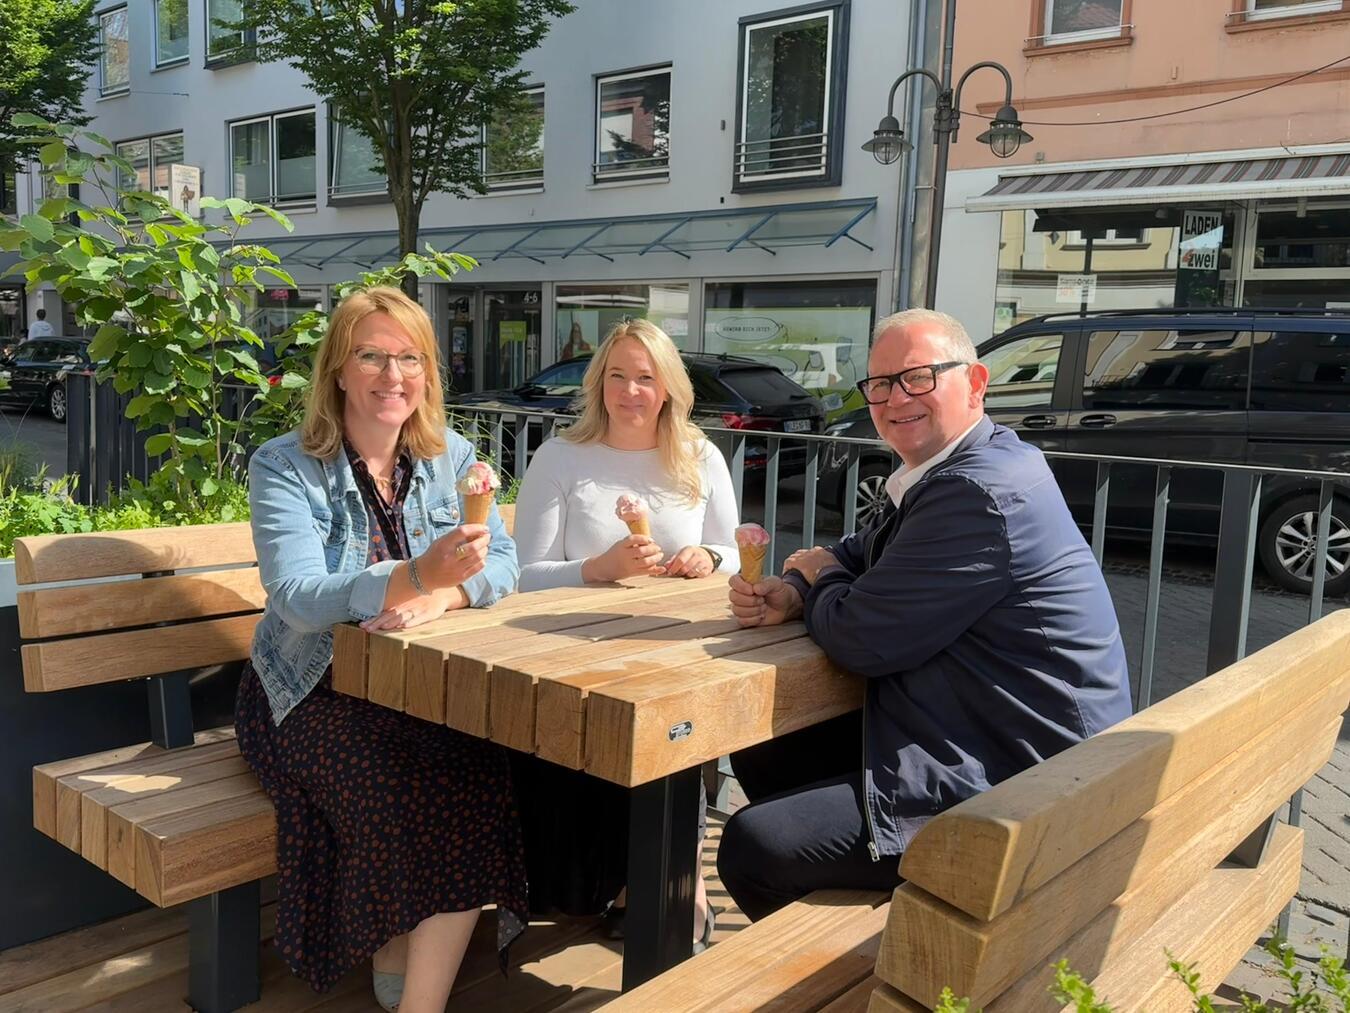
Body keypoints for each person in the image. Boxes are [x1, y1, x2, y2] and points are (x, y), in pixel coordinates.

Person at [720, 308, 1133, 921]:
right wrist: (801, 589)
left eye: (917, 377)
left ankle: (896, 959)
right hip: (988, 730)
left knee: (755, 845)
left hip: (1026, 779)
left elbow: (862, 638)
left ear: (976, 382)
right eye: (880, 384)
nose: (894, 398)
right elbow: (862, 552)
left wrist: (820, 577)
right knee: (766, 740)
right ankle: (877, 914)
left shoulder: (976, 491)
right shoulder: (968, 464)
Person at [237, 286, 526, 1013]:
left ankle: (412, 987)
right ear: (338, 368)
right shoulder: (285, 464)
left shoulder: (451, 456)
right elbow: (297, 596)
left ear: (428, 372)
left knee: (482, 771)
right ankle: (403, 966)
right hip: (307, 693)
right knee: (391, 788)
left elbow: (506, 562)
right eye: (371, 354)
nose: (391, 374)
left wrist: (445, 595)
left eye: (409, 357)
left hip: (418, 687)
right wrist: (414, 574)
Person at [511, 317, 738, 947]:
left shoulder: (700, 455)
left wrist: (708, 559)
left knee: (682, 737)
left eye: (646, 377)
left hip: (668, 644)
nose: (631, 391)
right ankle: (596, 878)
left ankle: (672, 883)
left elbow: (730, 549)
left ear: (668, 388)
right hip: (566, 650)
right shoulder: (561, 455)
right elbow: (522, 575)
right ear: (599, 382)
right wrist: (598, 568)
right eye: (618, 375)